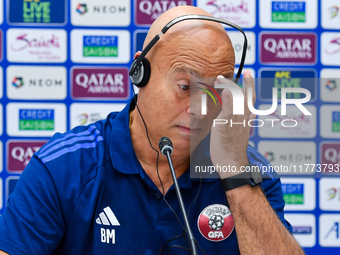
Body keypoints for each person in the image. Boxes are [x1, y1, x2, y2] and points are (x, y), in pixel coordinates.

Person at [0, 6, 304, 255]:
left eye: (215, 93)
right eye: (186, 86)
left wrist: (235, 172)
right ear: (139, 72)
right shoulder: (64, 168)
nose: (200, 108)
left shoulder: (248, 174)